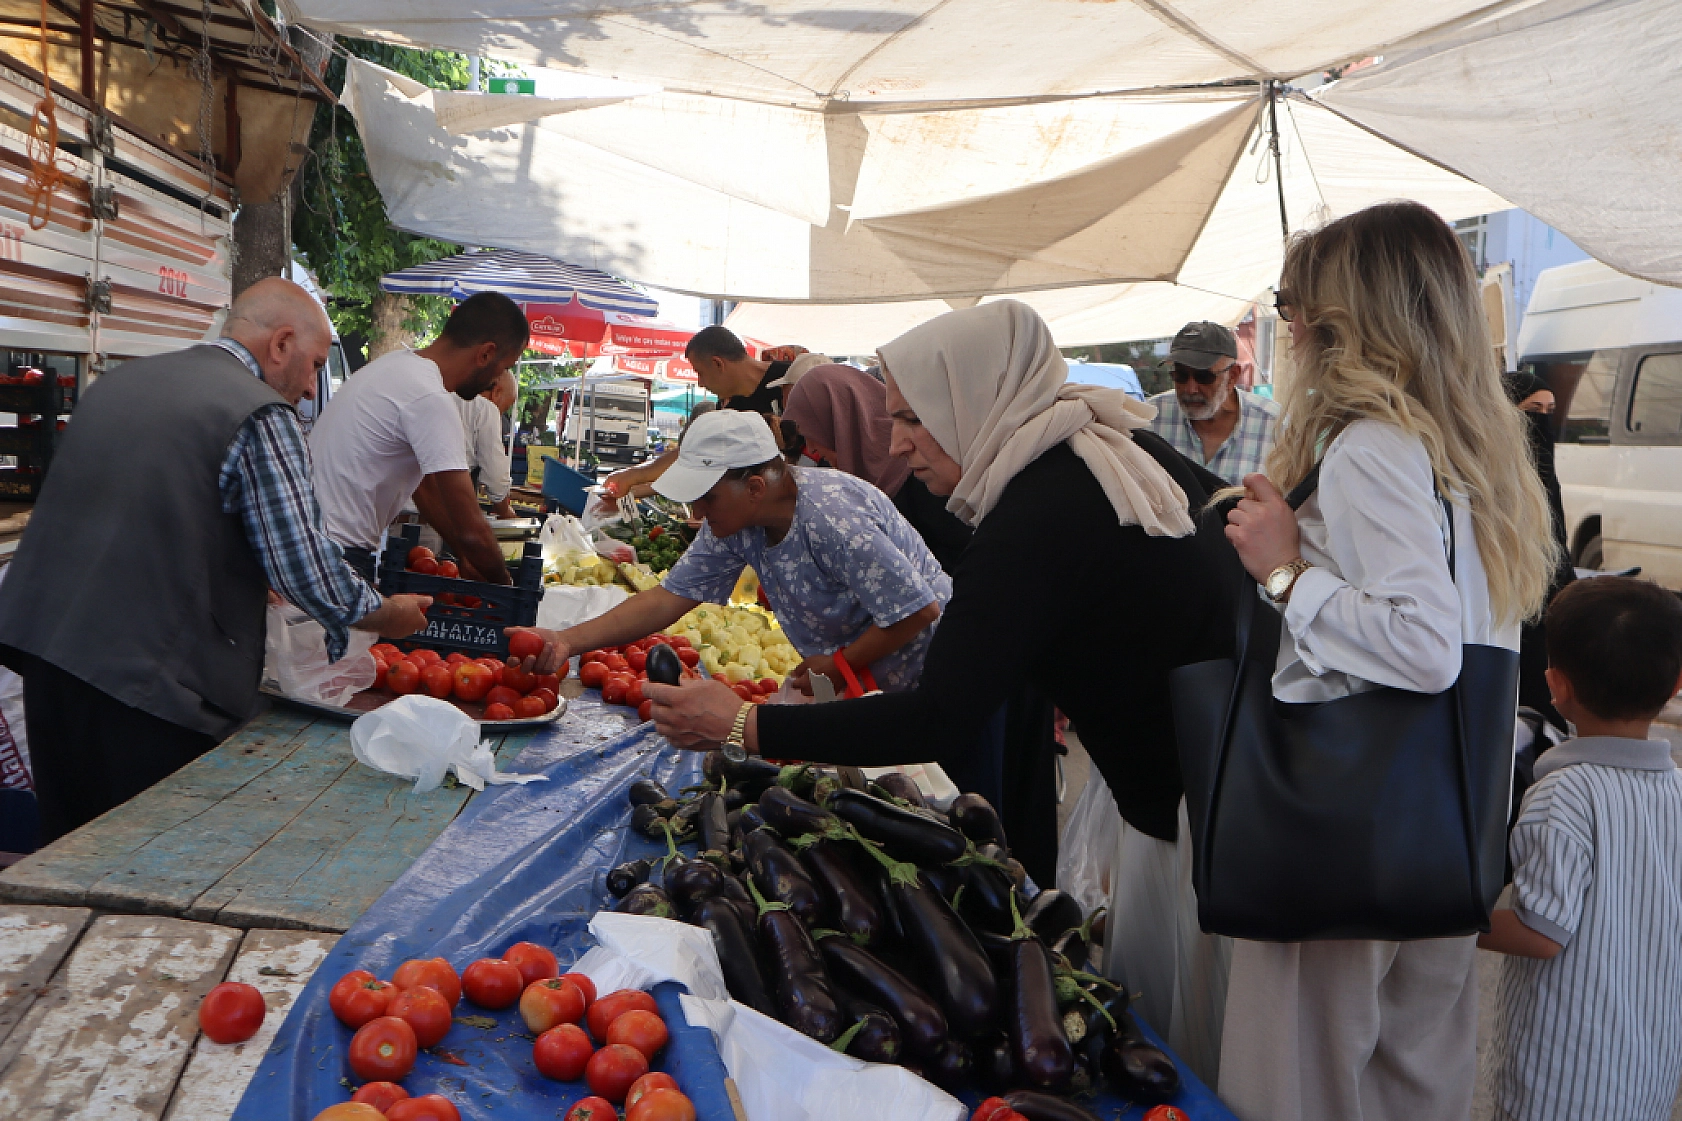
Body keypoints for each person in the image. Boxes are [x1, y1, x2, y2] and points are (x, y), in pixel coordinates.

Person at [634, 301, 1237, 1070]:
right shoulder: (1105, 445)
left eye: (914, 419)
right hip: (1203, 773)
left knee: (1195, 1045)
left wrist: (744, 726)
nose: (897, 442)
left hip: (1197, 808)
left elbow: (938, 716)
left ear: (976, 399)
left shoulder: (1036, 513)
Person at [1217, 201, 1556, 1121]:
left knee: (1303, 1083)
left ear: (1347, 316)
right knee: (1417, 1076)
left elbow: (1420, 644)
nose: (1290, 323)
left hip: (1341, 815)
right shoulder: (1476, 456)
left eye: (1296, 304)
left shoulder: (1370, 448)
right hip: (1447, 818)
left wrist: (1284, 573)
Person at [0, 278, 432, 842]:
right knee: (140, 862)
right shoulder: (259, 413)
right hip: (146, 688)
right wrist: (386, 615)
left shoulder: (121, 382)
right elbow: (306, 569)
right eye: (314, 365)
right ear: (281, 344)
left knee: (68, 854)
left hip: (49, 664)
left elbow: (145, 517)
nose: (311, 388)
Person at [517, 409, 949, 698]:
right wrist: (566, 640)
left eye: (706, 499)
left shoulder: (832, 519)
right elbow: (667, 599)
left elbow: (918, 610)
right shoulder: (737, 524)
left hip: (932, 675)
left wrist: (840, 663)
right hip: (866, 683)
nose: (697, 513)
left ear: (755, 488)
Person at [1480, 576, 1682, 1121]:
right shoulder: (1677, 791)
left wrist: (1452, 921)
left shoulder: (1563, 794)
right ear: (1675, 685)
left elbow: (1542, 933)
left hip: (1562, 1083)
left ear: (1556, 685)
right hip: (1649, 1077)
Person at [309, 292, 528, 584]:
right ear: (486, 354)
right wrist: (505, 586)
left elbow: (424, 488)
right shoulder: (429, 397)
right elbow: (472, 529)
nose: (496, 380)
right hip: (335, 553)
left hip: (315, 540)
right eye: (503, 368)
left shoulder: (396, 367)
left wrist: (463, 553)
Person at [780, 362, 973, 574]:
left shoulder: (919, 467)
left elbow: (961, 552)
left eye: (813, 430)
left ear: (839, 420)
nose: (810, 447)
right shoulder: (851, 469)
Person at [1147, 320, 1278, 485]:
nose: (1191, 389)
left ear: (1232, 376)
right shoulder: (1149, 419)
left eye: (1204, 377)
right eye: (1180, 376)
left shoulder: (1275, 426)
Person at [459, 368, 518, 519]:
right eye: (505, 408)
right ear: (496, 392)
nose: (501, 415)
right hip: (437, 517)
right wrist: (505, 511)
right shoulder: (484, 408)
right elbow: (496, 478)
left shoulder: (445, 395)